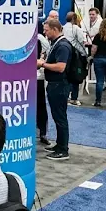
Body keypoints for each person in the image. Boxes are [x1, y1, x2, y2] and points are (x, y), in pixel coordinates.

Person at [39, 19, 71, 160]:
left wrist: (43, 64)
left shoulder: (63, 45)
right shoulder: (57, 44)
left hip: (60, 85)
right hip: (55, 84)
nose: (44, 32)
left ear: (54, 29)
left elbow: (60, 67)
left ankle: (63, 149)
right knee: (57, 116)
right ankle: (59, 145)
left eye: (46, 30)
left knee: (60, 117)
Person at [61, 12, 87, 106]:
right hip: (76, 57)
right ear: (74, 19)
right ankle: (74, 98)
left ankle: (66, 97)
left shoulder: (62, 28)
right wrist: (85, 55)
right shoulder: (76, 28)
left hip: (64, 55)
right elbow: (81, 42)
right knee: (75, 76)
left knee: (66, 76)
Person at [36, 31, 50, 147]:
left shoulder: (38, 40)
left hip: (37, 77)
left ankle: (43, 133)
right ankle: (42, 133)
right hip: (33, 78)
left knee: (40, 106)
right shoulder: (38, 39)